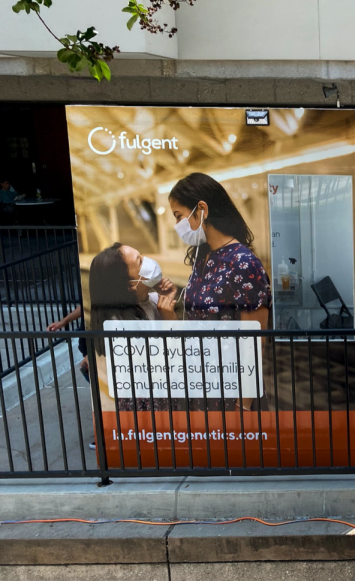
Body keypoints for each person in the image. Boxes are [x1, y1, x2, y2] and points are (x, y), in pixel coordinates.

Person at [168, 173, 270, 329]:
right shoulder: (203, 257)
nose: (176, 225)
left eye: (178, 216)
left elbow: (255, 343)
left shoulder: (244, 264)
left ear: (202, 209)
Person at [89, 243, 178, 417]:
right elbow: (162, 364)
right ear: (130, 285)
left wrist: (169, 307)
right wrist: (168, 320)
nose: (149, 261)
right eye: (140, 261)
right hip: (145, 408)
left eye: (142, 255)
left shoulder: (152, 300)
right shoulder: (118, 325)